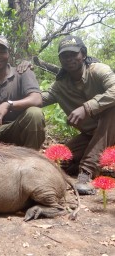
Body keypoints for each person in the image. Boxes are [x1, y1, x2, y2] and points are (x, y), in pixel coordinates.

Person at [41, 35, 115, 195]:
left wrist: (87, 107)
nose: (69, 59)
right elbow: (40, 99)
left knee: (112, 109)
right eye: (64, 56)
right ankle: (87, 163)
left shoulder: (98, 70)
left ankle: (87, 172)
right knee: (61, 159)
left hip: (111, 129)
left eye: (74, 54)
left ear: (83, 55)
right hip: (92, 136)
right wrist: (13, 97)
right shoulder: (60, 85)